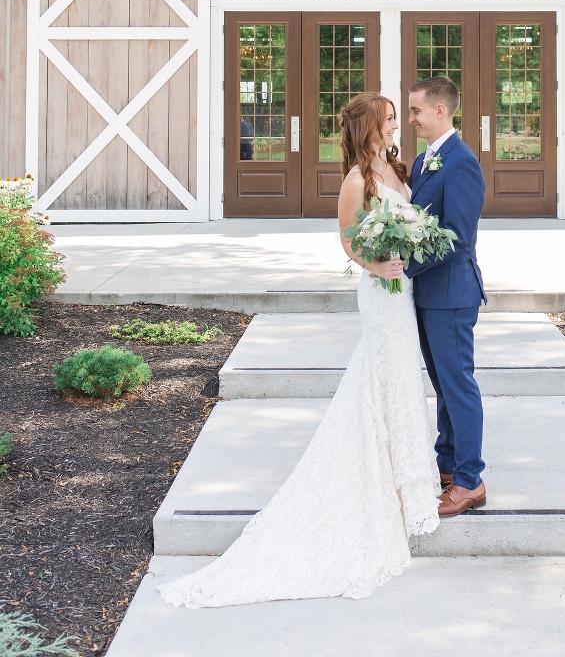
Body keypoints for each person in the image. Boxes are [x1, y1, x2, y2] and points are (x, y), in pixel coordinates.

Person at [158, 93, 439, 608]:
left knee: (399, 375)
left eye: (400, 115)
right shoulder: (359, 180)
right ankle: (380, 481)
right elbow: (349, 241)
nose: (399, 122)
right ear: (371, 126)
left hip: (407, 292)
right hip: (382, 294)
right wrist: (377, 267)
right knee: (384, 372)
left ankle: (405, 480)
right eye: (391, 117)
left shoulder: (398, 169)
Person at [405, 77, 487, 517]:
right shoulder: (424, 162)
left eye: (416, 111)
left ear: (440, 111)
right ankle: (449, 465)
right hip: (426, 294)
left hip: (452, 293)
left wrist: (405, 265)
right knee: (442, 386)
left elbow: (457, 236)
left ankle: (471, 480)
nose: (411, 119)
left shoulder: (461, 163)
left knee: (458, 386)